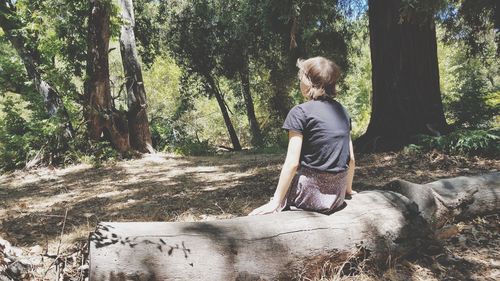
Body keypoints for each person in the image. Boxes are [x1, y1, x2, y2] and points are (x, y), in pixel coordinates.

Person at [249, 57, 356, 216]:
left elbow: (292, 163)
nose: (300, 81)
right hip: (337, 196)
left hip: (309, 196)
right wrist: (348, 190)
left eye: (301, 77)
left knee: (279, 200)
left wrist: (276, 201)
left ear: (308, 82)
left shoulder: (300, 112)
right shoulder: (342, 112)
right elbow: (351, 158)